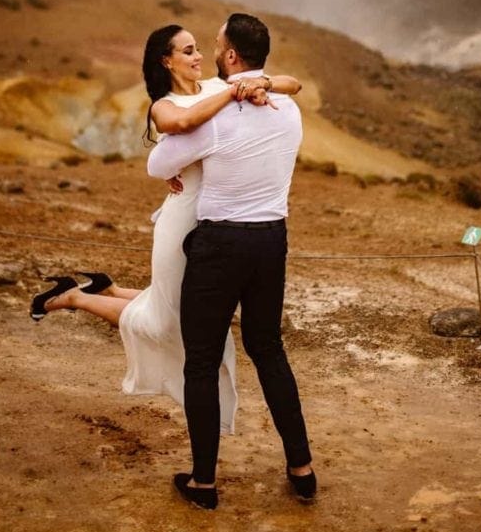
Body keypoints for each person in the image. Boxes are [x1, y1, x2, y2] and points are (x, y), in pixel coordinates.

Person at [30, 23, 301, 437]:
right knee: (166, 321)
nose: (197, 57)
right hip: (187, 223)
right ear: (166, 60)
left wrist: (255, 84)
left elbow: (290, 82)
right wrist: (234, 94)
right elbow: (176, 136)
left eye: (199, 49)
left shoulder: (213, 86)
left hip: (215, 224)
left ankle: (105, 289)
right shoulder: (164, 104)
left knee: (178, 308)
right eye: (188, 51)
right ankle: (74, 298)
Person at [147, 13, 315, 510]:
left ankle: (204, 482)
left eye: (216, 45)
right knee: (269, 350)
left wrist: (181, 164)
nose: (212, 53)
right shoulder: (288, 110)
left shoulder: (215, 115)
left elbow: (159, 163)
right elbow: (288, 87)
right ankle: (302, 470)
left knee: (200, 362)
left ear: (232, 56)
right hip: (272, 240)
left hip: (220, 245)